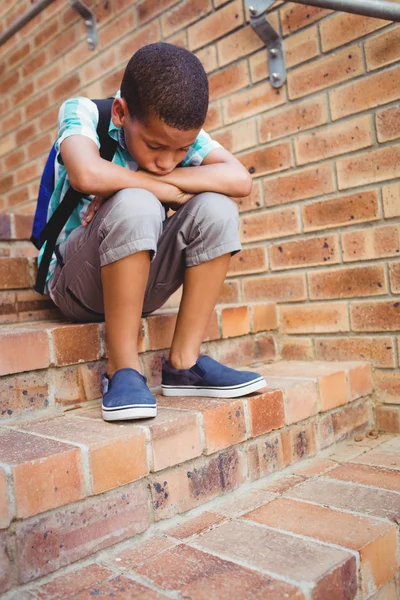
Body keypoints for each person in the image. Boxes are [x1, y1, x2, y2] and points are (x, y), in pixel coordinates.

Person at [42, 42, 266, 422]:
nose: (167, 162)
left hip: (138, 280)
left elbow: (238, 179)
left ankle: (185, 363)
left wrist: (143, 178)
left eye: (180, 152)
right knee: (137, 201)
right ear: (120, 112)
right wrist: (152, 188)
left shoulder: (175, 135)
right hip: (72, 283)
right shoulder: (82, 112)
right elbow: (86, 173)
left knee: (217, 207)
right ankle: (123, 370)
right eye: (155, 147)